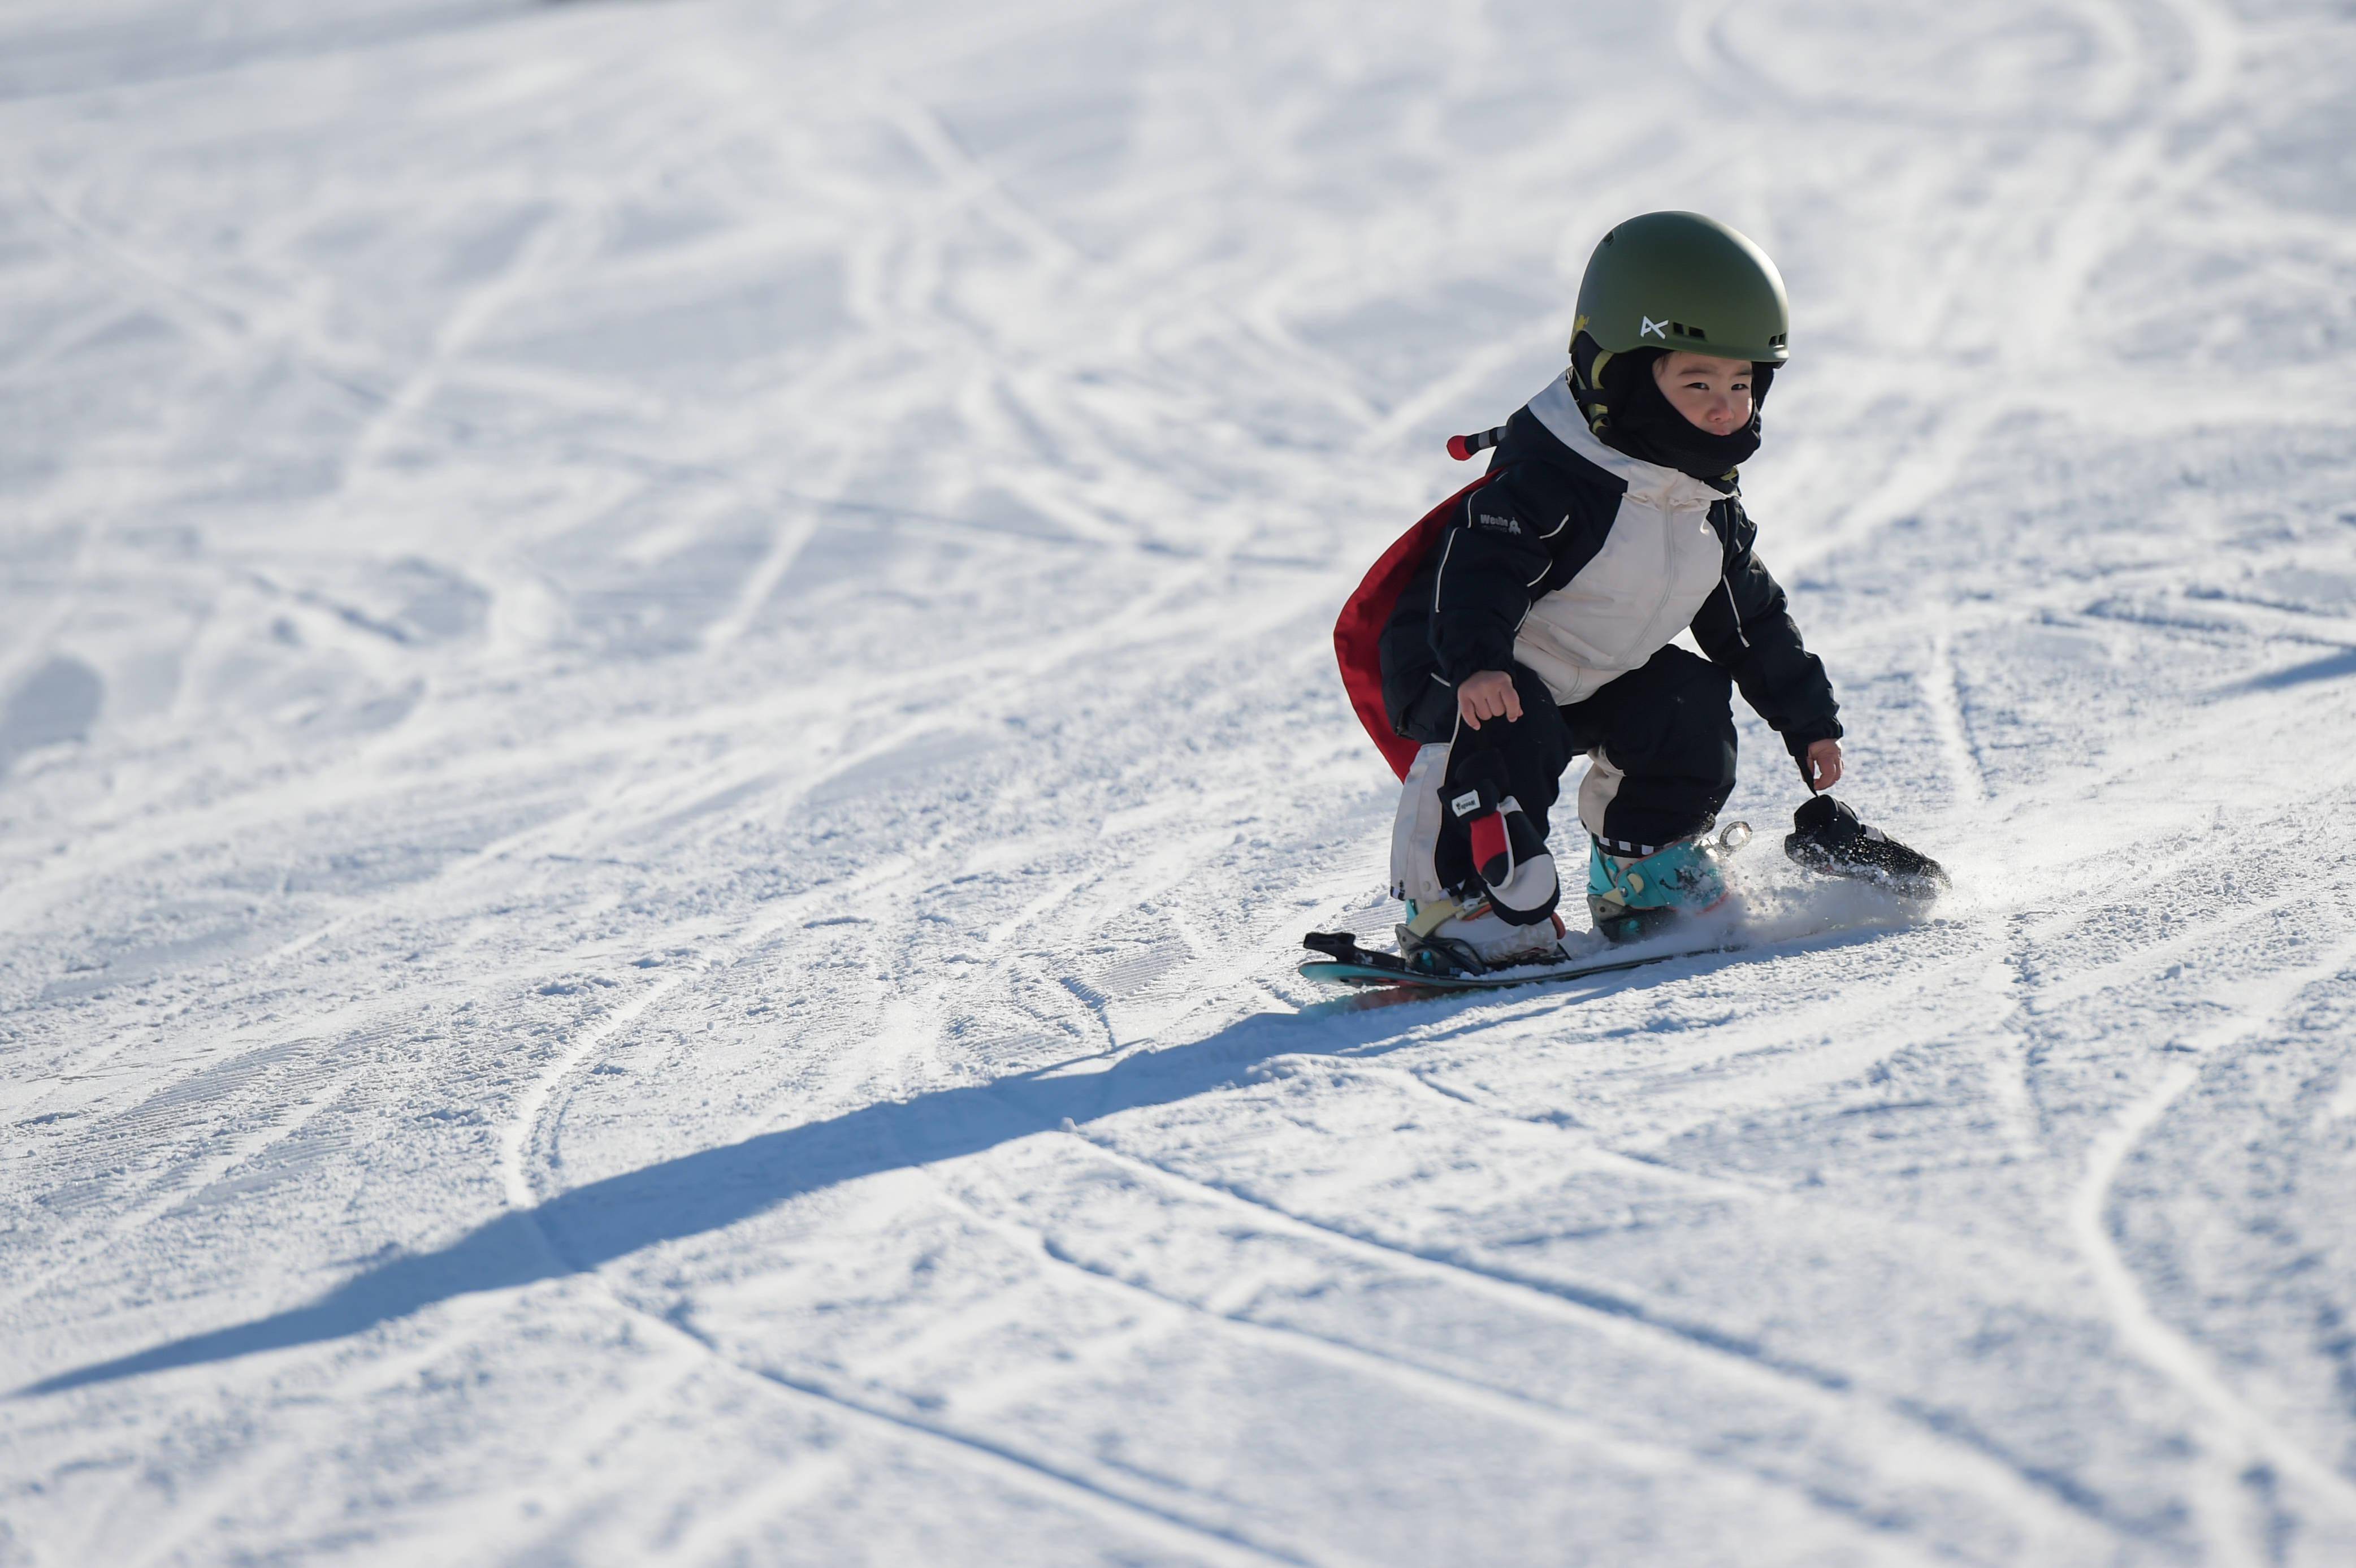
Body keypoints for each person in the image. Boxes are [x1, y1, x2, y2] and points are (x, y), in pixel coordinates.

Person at [1369, 211, 1932, 974]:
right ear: (1624, 377)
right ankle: (1451, 903)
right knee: (1508, 726)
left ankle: (1642, 873)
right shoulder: (1554, 482)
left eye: (1742, 382)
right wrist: (1475, 662)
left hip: (1587, 675)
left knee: (1687, 702)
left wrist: (1808, 722)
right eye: (1697, 381)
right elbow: (1475, 573)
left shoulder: (1704, 506)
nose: (1725, 406)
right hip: (1464, 662)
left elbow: (1752, 621)